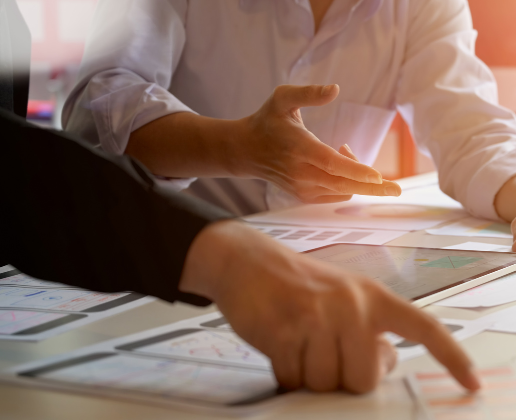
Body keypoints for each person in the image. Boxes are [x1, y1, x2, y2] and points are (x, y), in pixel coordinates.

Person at [0, 0, 477, 394]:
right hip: (147, 274)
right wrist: (236, 151)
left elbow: (474, 125)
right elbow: (96, 111)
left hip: (299, 271)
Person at [64, 0, 516, 262]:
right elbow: (100, 101)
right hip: (154, 254)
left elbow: (470, 127)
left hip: (313, 267)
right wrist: (237, 147)